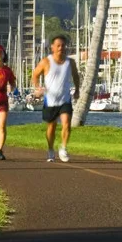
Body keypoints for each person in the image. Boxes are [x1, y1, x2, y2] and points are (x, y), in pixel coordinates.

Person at [31, 35, 80, 163]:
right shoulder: (46, 62)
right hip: (50, 101)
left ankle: (63, 148)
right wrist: (37, 88)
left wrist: (77, 90)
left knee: (67, 123)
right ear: (52, 47)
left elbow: (76, 76)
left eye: (63, 45)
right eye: (58, 45)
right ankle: (51, 149)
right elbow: (35, 75)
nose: (61, 48)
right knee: (51, 128)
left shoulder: (70, 62)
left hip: (65, 100)